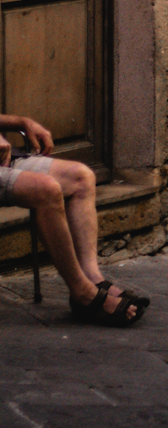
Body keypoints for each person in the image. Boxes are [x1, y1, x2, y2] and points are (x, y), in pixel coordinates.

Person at [0, 113, 148, 325]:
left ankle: (92, 278)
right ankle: (82, 293)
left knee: (82, 177)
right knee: (46, 190)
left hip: (4, 159)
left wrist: (22, 122)